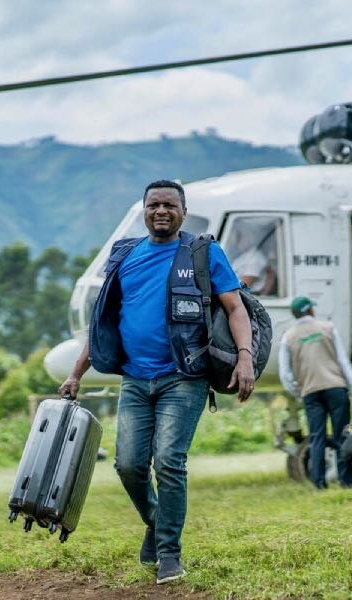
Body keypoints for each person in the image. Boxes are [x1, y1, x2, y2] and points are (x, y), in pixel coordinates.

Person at [59, 180, 254, 585]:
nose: (161, 210)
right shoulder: (125, 258)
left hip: (184, 378)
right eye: (153, 205)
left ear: (183, 211)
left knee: (168, 461)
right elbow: (103, 326)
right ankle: (157, 523)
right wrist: (76, 374)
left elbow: (235, 308)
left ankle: (169, 553)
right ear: (145, 211)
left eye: (169, 204)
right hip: (135, 381)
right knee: (128, 465)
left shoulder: (203, 253)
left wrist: (246, 358)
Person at [279, 296, 352, 489]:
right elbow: (344, 363)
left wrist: (299, 391)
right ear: (310, 310)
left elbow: (285, 374)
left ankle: (319, 483)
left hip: (310, 392)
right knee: (342, 435)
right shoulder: (328, 328)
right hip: (336, 388)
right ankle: (346, 481)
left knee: (317, 437)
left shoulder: (288, 336)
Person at [230, 225, 275, 295]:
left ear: (251, 237)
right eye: (237, 237)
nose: (236, 240)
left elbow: (243, 286)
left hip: (248, 298)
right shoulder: (243, 256)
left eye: (240, 237)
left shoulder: (255, 258)